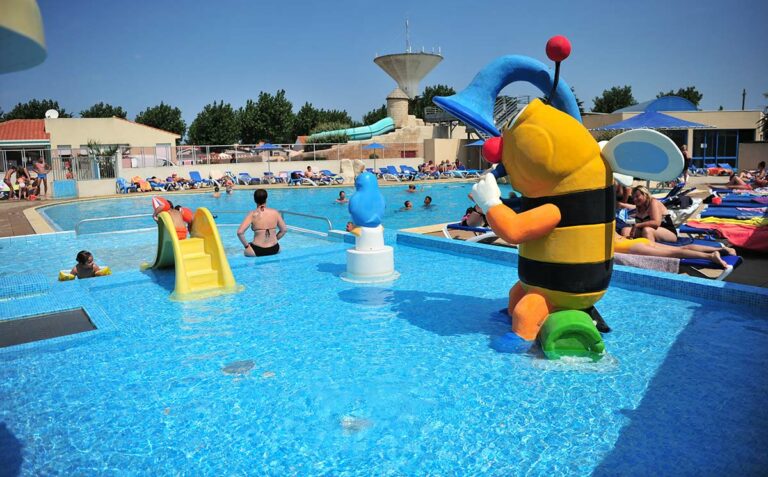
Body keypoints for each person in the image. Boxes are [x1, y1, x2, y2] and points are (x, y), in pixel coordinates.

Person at [614, 233, 734, 268]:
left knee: (673, 253)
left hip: (630, 248)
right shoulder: (607, 223)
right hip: (636, 241)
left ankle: (710, 256)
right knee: (680, 248)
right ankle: (721, 249)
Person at [237, 188, 287, 257]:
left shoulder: (252, 214)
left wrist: (246, 246)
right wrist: (275, 239)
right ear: (266, 199)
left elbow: (240, 232)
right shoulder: (275, 212)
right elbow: (284, 230)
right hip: (275, 248)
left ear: (254, 200)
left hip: (256, 250)